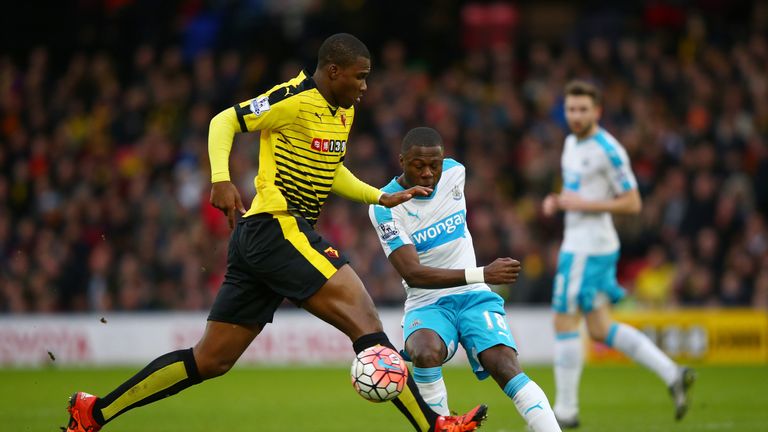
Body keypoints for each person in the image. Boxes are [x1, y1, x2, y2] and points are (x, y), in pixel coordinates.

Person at [63, 33, 487, 432]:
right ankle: (435, 425)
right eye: (360, 76)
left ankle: (93, 412)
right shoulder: (293, 98)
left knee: (210, 360)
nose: (364, 87)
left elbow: (330, 168)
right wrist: (221, 178)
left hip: (262, 241)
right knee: (366, 321)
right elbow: (223, 121)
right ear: (334, 71)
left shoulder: (344, 112)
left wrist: (379, 196)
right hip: (276, 226)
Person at [369, 127, 562, 432]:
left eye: (435, 164)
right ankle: (443, 426)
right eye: (419, 165)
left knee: (504, 364)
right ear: (401, 160)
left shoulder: (456, 173)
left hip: (474, 296)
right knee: (424, 351)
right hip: (427, 302)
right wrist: (483, 273)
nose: (429, 173)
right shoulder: (384, 206)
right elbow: (412, 273)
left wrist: (478, 279)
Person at [541, 80, 695, 428]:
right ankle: (672, 372)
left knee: (563, 319)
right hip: (584, 243)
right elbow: (574, 189)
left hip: (588, 247)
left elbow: (633, 201)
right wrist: (559, 200)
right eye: (571, 109)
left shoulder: (609, 150)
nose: (576, 116)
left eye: (583, 109)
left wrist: (584, 205)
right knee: (598, 328)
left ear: (597, 112)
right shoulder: (569, 143)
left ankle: (565, 411)